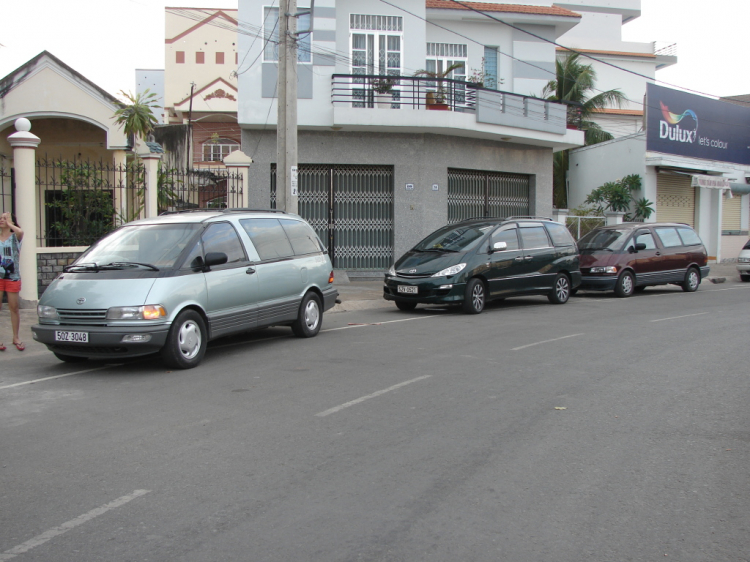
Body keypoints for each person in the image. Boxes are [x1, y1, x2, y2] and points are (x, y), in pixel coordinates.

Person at [0, 212, 24, 351]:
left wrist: (9, 224)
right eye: (0, 218)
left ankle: (16, 337)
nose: (2, 220)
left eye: (5, 218)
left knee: (13, 307)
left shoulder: (15, 237)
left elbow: (20, 231)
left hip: (12, 276)